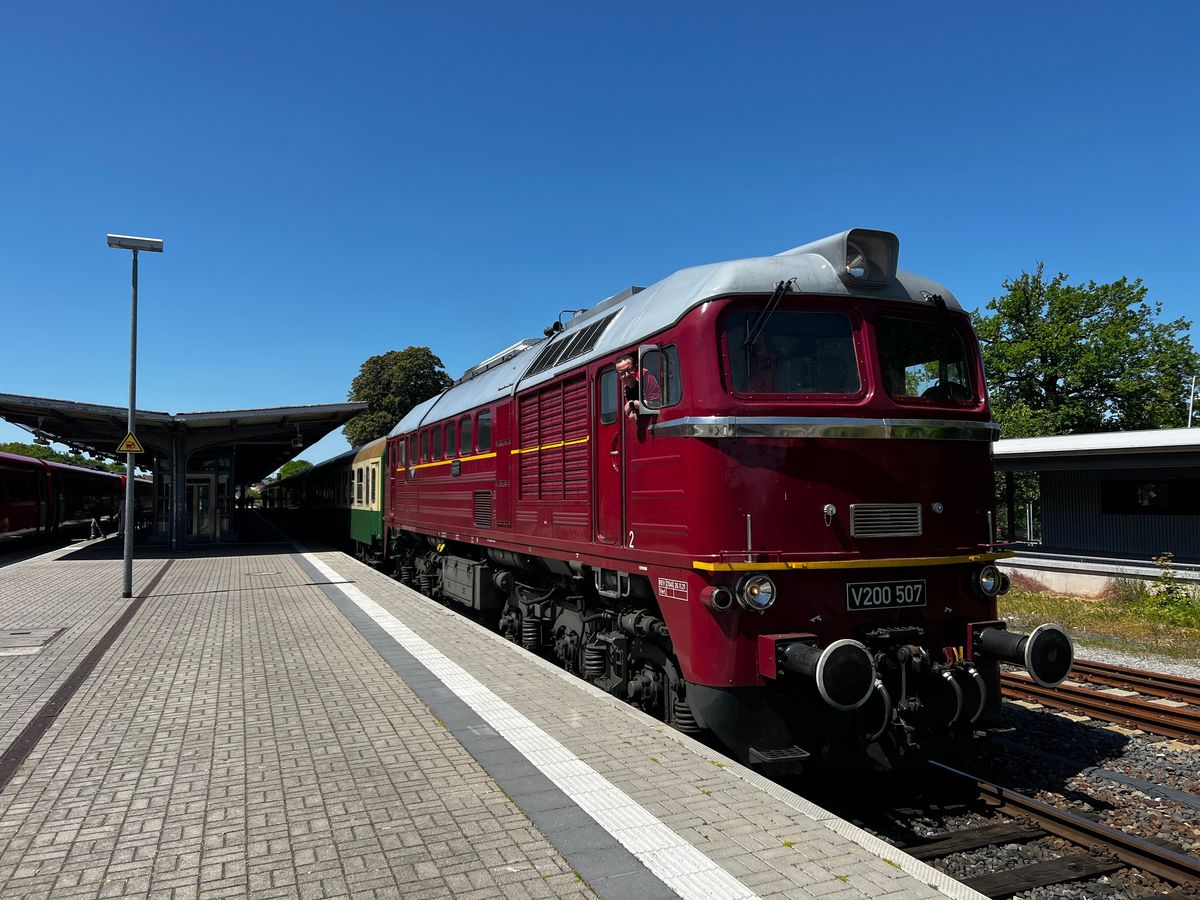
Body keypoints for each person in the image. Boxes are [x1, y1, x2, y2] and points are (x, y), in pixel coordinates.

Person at [615, 354, 661, 419]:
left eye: (629, 369)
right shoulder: (625, 388)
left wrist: (632, 404)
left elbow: (657, 404)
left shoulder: (644, 375)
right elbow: (628, 409)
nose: (627, 375)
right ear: (619, 376)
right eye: (622, 373)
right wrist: (631, 412)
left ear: (636, 368)